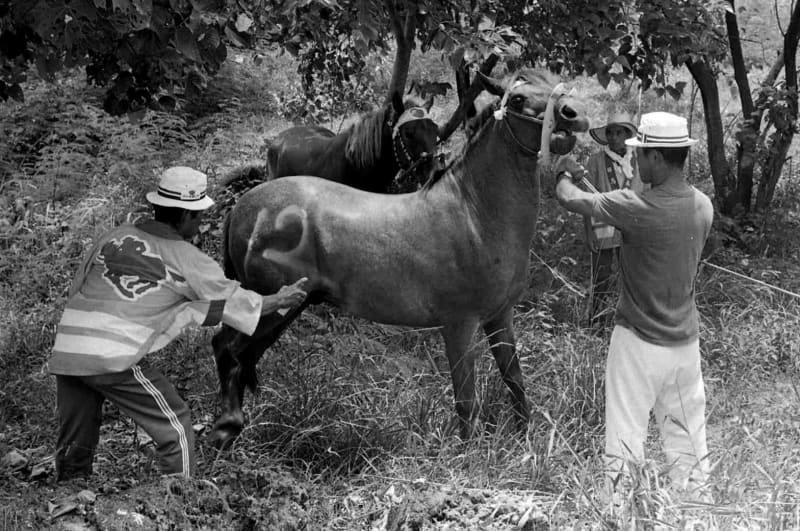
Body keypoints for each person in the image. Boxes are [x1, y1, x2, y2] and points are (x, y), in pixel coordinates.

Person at [49, 166, 308, 481]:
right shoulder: (188, 259)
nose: (199, 224)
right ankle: (180, 505)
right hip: (112, 356)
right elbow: (238, 303)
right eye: (198, 216)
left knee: (75, 439)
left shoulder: (114, 237)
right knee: (176, 428)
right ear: (188, 216)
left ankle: (71, 496)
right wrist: (280, 300)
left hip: (69, 348)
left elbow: (182, 307)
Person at [554, 112, 714, 497]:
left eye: (640, 153)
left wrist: (563, 170)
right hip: (685, 346)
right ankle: (696, 513)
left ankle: (620, 513)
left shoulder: (634, 206)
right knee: (688, 446)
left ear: (657, 158)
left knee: (624, 441)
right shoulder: (703, 206)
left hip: (638, 343)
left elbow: (570, 199)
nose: (635, 159)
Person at [581, 112, 643, 330]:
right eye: (610, 132)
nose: (614, 137)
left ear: (627, 135)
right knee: (602, 277)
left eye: (619, 132)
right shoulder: (596, 161)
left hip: (633, 228)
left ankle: (631, 320)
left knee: (633, 275)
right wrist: (588, 231)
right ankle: (596, 322)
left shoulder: (639, 159)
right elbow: (586, 199)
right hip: (603, 228)